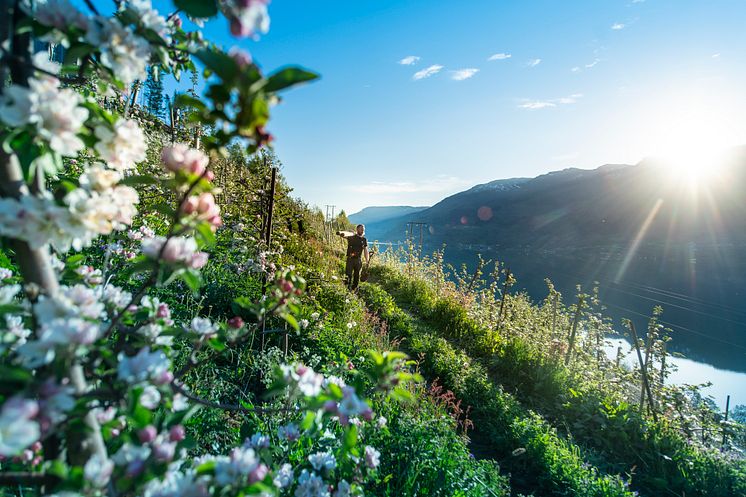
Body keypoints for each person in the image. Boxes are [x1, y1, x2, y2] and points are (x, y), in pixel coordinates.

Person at [337, 224, 369, 291]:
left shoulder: (364, 239)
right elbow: (344, 235)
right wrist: (341, 234)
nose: (362, 230)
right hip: (350, 259)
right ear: (357, 229)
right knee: (348, 275)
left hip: (358, 260)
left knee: (357, 276)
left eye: (363, 229)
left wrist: (367, 261)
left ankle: (354, 290)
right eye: (361, 229)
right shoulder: (351, 237)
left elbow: (366, 250)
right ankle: (346, 289)